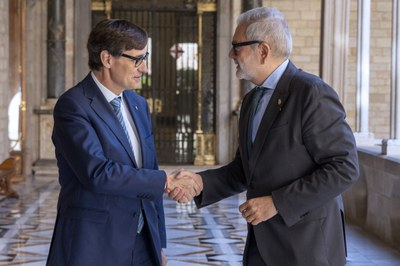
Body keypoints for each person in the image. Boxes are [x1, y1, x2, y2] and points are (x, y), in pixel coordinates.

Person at [170, 7, 359, 266]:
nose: (230, 54)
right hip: (262, 246)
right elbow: (245, 170)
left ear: (263, 50)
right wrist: (199, 183)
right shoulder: (251, 100)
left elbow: (344, 167)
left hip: (306, 247)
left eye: (236, 47)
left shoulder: (311, 93)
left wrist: (277, 203)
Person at [47, 19, 200, 266]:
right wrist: (165, 181)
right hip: (95, 244)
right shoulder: (73, 106)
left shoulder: (139, 105)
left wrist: (158, 242)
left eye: (145, 57)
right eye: (137, 59)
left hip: (142, 244)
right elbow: (97, 173)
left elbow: (149, 169)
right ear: (107, 59)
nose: (144, 68)